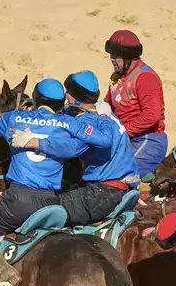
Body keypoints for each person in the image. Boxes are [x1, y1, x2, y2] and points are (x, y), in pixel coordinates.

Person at [0, 79, 86, 286]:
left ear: (36, 99)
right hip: (52, 203)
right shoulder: (67, 124)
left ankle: (3, 273)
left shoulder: (13, 118)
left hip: (19, 200)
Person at [11, 70, 141, 225]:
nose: (65, 96)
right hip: (122, 188)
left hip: (101, 194)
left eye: (68, 92)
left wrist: (36, 141)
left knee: (36, 208)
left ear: (76, 98)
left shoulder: (84, 122)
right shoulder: (104, 114)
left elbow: (66, 148)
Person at [104, 30, 167, 182]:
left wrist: (122, 130)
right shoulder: (118, 78)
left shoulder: (145, 77)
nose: (111, 59)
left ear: (127, 56)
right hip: (125, 139)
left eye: (115, 55)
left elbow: (152, 115)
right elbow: (106, 105)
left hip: (147, 140)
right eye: (111, 54)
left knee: (116, 176)